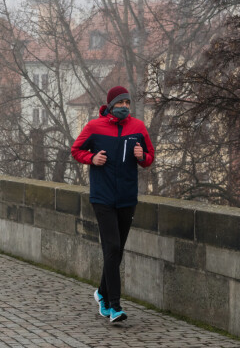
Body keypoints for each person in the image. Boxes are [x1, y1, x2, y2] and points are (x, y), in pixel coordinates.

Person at [70, 86, 154, 323]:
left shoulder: (137, 127)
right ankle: (114, 306)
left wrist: (141, 156)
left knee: (116, 251)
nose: (125, 107)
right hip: (103, 198)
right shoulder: (94, 127)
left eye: (127, 103)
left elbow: (149, 158)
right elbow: (76, 150)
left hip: (127, 198)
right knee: (112, 247)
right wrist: (92, 158)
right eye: (120, 103)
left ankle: (101, 293)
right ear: (110, 105)